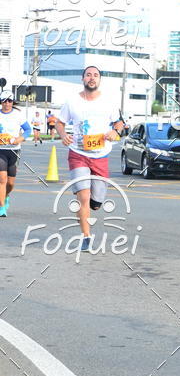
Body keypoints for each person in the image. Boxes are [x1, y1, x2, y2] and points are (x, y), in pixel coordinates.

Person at [55, 66, 123, 252]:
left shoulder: (108, 102)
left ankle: (95, 201)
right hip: (78, 154)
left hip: (101, 155)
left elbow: (120, 122)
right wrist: (63, 135)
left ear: (100, 80)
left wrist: (115, 131)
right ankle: (86, 237)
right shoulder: (72, 101)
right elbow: (59, 122)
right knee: (83, 197)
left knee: (96, 202)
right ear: (82, 78)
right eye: (88, 75)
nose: (92, 78)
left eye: (95, 75)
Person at [0, 91, 31, 217]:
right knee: (2, 179)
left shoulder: (18, 115)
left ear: (13, 102)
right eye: (4, 100)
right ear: (1, 102)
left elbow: (28, 129)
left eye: (10, 101)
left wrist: (19, 139)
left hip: (14, 150)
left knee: (10, 183)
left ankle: (6, 196)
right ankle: (2, 207)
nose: (7, 103)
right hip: (1, 150)